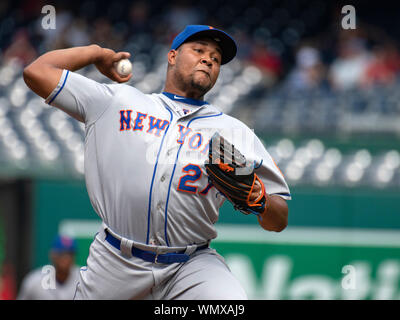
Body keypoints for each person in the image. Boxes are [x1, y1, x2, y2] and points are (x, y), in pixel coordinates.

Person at [23, 25, 291, 300]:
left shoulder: (234, 133)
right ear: (172, 56)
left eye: (216, 58)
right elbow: (36, 72)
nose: (209, 59)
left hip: (192, 265)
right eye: (199, 50)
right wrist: (96, 53)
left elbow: (279, 218)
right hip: (115, 261)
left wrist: (259, 199)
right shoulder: (118, 101)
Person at [17, 235, 80, 300]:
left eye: (69, 254)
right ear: (52, 254)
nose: (65, 258)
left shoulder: (82, 279)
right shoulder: (34, 281)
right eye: (61, 253)